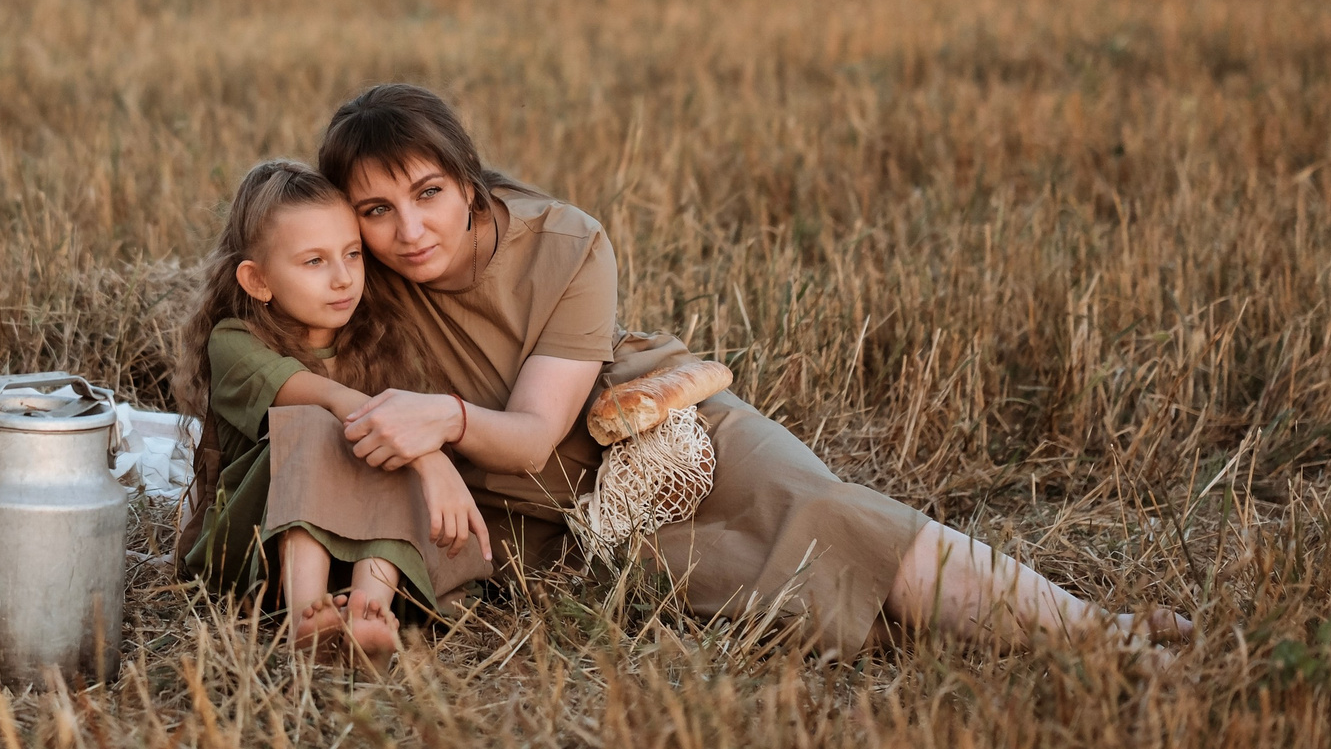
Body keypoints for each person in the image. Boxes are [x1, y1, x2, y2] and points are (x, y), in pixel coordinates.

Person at [312, 83, 1192, 663]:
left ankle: (1094, 634)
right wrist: (426, 454)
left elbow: (540, 428)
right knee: (766, 593)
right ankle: (1036, 631)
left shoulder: (563, 240)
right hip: (556, 513)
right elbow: (271, 366)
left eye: (428, 192)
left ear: (467, 181)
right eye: (377, 210)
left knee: (834, 509)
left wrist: (440, 423)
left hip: (658, 431)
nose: (410, 230)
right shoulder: (355, 282)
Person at [171, 159, 493, 665]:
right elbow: (333, 401)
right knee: (342, 423)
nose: (343, 279)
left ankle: (369, 612)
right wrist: (429, 459)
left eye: (352, 254)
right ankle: (308, 616)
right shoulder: (234, 342)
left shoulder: (380, 341)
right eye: (314, 262)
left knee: (388, 436)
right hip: (258, 553)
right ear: (258, 280)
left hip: (368, 555)